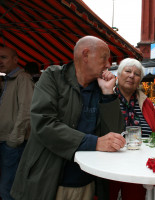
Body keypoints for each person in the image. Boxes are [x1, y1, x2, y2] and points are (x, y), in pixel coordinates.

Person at [10, 36, 126, 200]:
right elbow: (44, 123)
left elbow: (116, 133)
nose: (108, 64)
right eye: (104, 58)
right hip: (50, 181)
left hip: (88, 182)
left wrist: (108, 94)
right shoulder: (53, 76)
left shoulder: (102, 86)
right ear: (85, 55)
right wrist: (95, 142)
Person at [109, 58, 155, 200]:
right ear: (119, 74)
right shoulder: (107, 97)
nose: (132, 76)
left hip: (139, 164)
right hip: (111, 160)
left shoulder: (146, 102)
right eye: (128, 71)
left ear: (139, 80)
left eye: (136, 74)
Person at [0, 47, 34, 200]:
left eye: (4, 57)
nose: (0, 61)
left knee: (8, 188)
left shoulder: (23, 78)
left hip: (12, 143)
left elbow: (26, 111)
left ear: (15, 59)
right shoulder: (6, 80)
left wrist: (14, 140)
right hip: (6, 140)